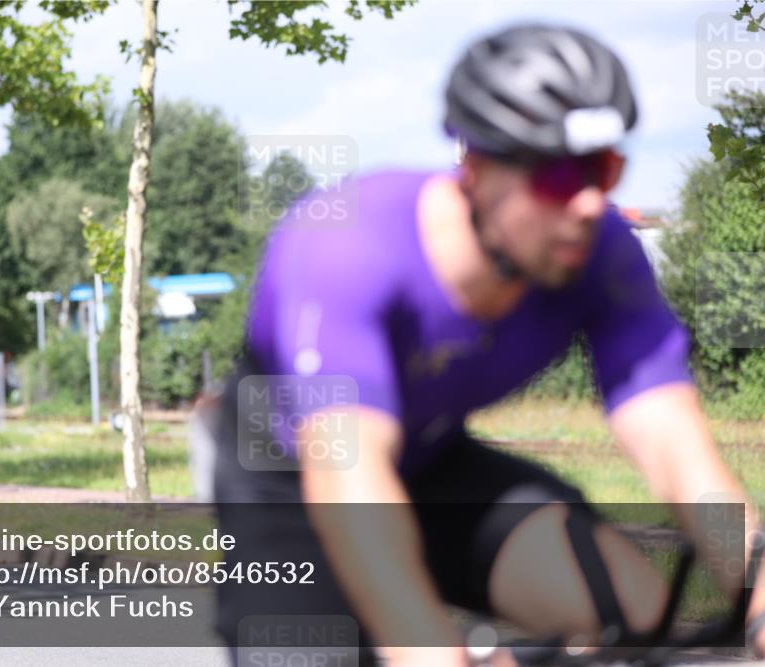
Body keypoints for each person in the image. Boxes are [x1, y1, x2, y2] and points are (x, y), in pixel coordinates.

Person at [207, 22, 765, 667]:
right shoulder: (347, 249)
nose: (588, 203)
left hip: (432, 463)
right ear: (475, 169)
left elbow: (678, 451)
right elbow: (348, 475)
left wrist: (757, 591)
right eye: (557, 175)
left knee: (635, 614)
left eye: (602, 169)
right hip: (294, 479)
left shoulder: (603, 256)